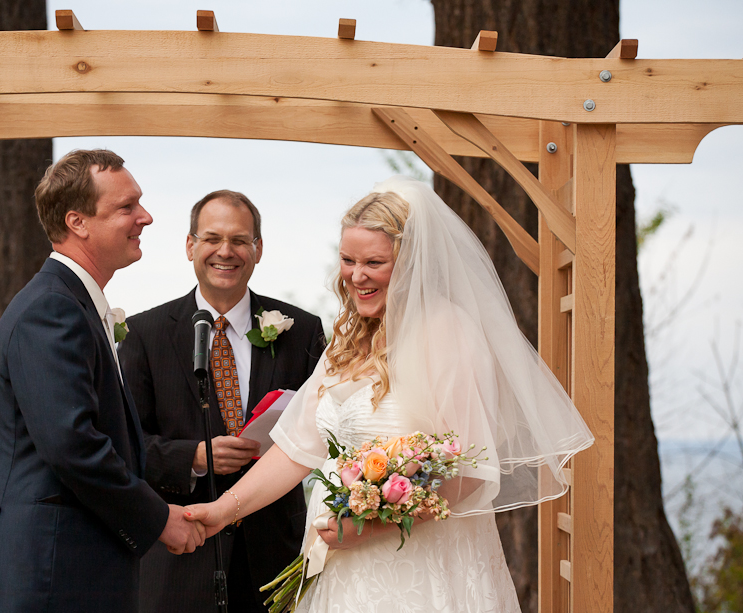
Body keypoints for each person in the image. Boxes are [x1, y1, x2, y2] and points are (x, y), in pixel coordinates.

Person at [185, 176, 595, 612]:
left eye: (374, 263)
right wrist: (221, 511)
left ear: (411, 262)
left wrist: (372, 526)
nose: (356, 276)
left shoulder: (449, 333)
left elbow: (471, 470)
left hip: (424, 571)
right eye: (348, 260)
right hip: (346, 571)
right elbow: (296, 447)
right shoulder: (350, 340)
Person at [0, 150, 205, 613]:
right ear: (78, 221)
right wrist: (158, 519)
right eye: (126, 207)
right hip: (47, 577)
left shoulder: (72, 304)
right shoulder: (53, 309)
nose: (145, 217)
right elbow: (73, 446)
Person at [118, 189, 327, 612]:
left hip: (274, 558)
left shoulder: (302, 331)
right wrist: (192, 456)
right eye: (212, 238)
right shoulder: (146, 333)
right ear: (190, 246)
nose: (225, 251)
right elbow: (125, 444)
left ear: (258, 249)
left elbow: (327, 430)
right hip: (179, 559)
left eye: (240, 240)